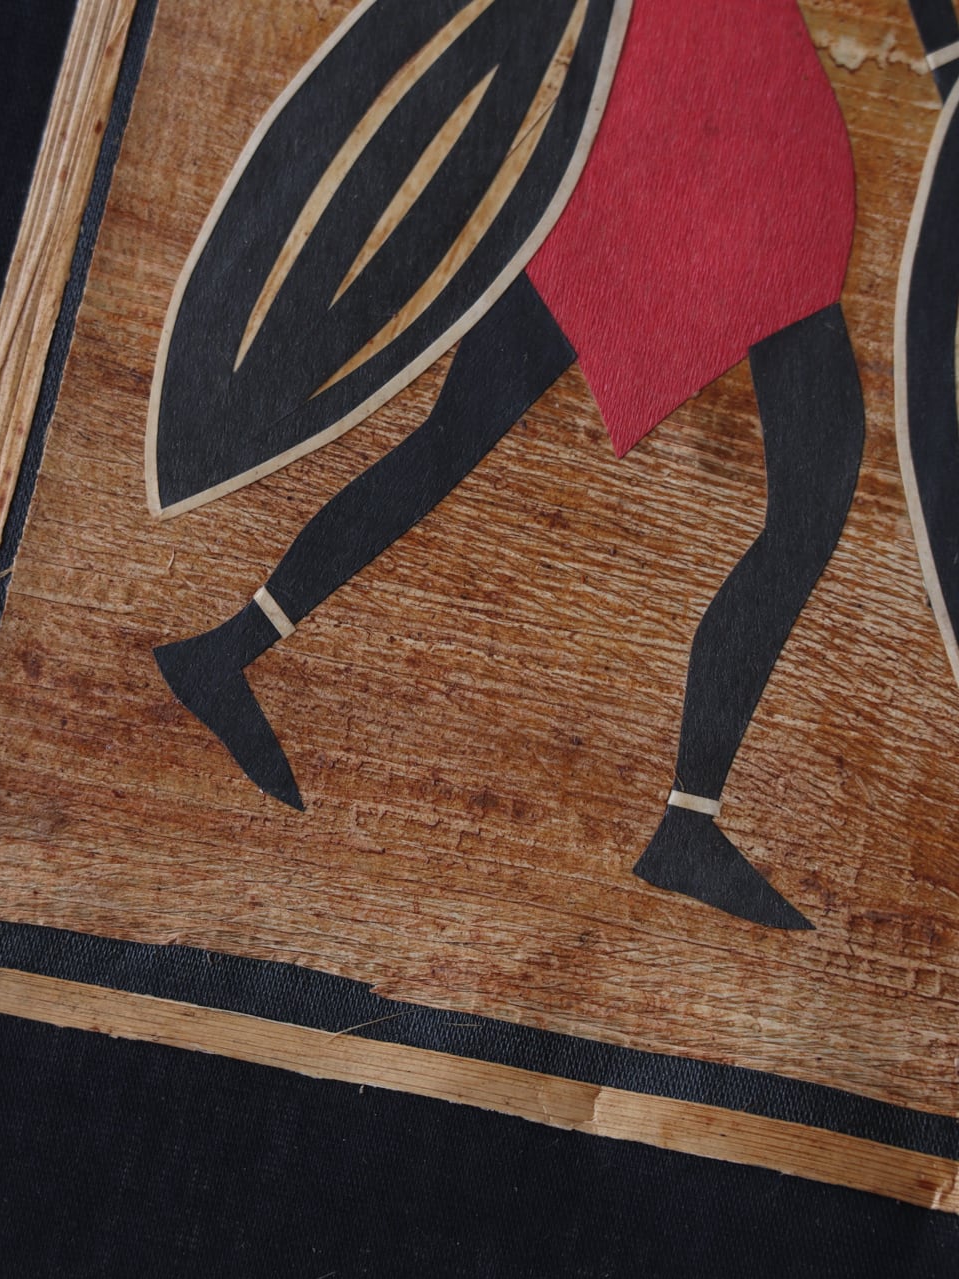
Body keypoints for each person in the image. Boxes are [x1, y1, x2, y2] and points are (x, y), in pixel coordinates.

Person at [156, 0, 864, 929]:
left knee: (803, 500)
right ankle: (224, 652)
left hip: (755, 155)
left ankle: (688, 825)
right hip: (665, 144)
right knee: (457, 439)